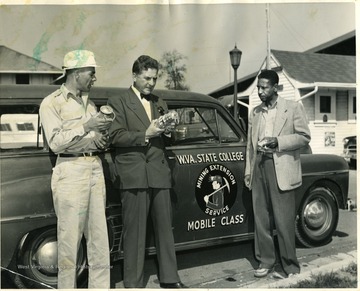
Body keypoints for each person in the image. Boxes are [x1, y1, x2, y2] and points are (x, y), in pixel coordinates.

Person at [107, 55, 185, 288]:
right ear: (134, 75)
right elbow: (114, 136)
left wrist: (170, 130)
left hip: (159, 173)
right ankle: (133, 283)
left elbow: (167, 139)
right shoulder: (117, 101)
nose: (151, 83)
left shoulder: (160, 101)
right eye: (146, 78)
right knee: (135, 234)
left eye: (154, 78)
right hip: (134, 175)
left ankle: (170, 279)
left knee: (165, 231)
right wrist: (146, 134)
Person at [39, 50, 112, 289]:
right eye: (91, 73)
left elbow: (89, 139)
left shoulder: (89, 104)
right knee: (69, 241)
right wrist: (87, 125)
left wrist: (100, 141)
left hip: (94, 168)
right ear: (76, 72)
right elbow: (57, 143)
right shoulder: (52, 103)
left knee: (99, 240)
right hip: (69, 171)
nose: (94, 78)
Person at [244, 69, 311, 278]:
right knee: (261, 219)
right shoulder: (254, 112)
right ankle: (266, 261)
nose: (260, 91)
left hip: (280, 167)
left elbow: (304, 137)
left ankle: (289, 266)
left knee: (283, 220)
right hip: (259, 167)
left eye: (264, 87)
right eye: (258, 87)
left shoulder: (292, 108)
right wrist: (249, 171)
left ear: (275, 87)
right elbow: (249, 146)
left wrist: (278, 142)